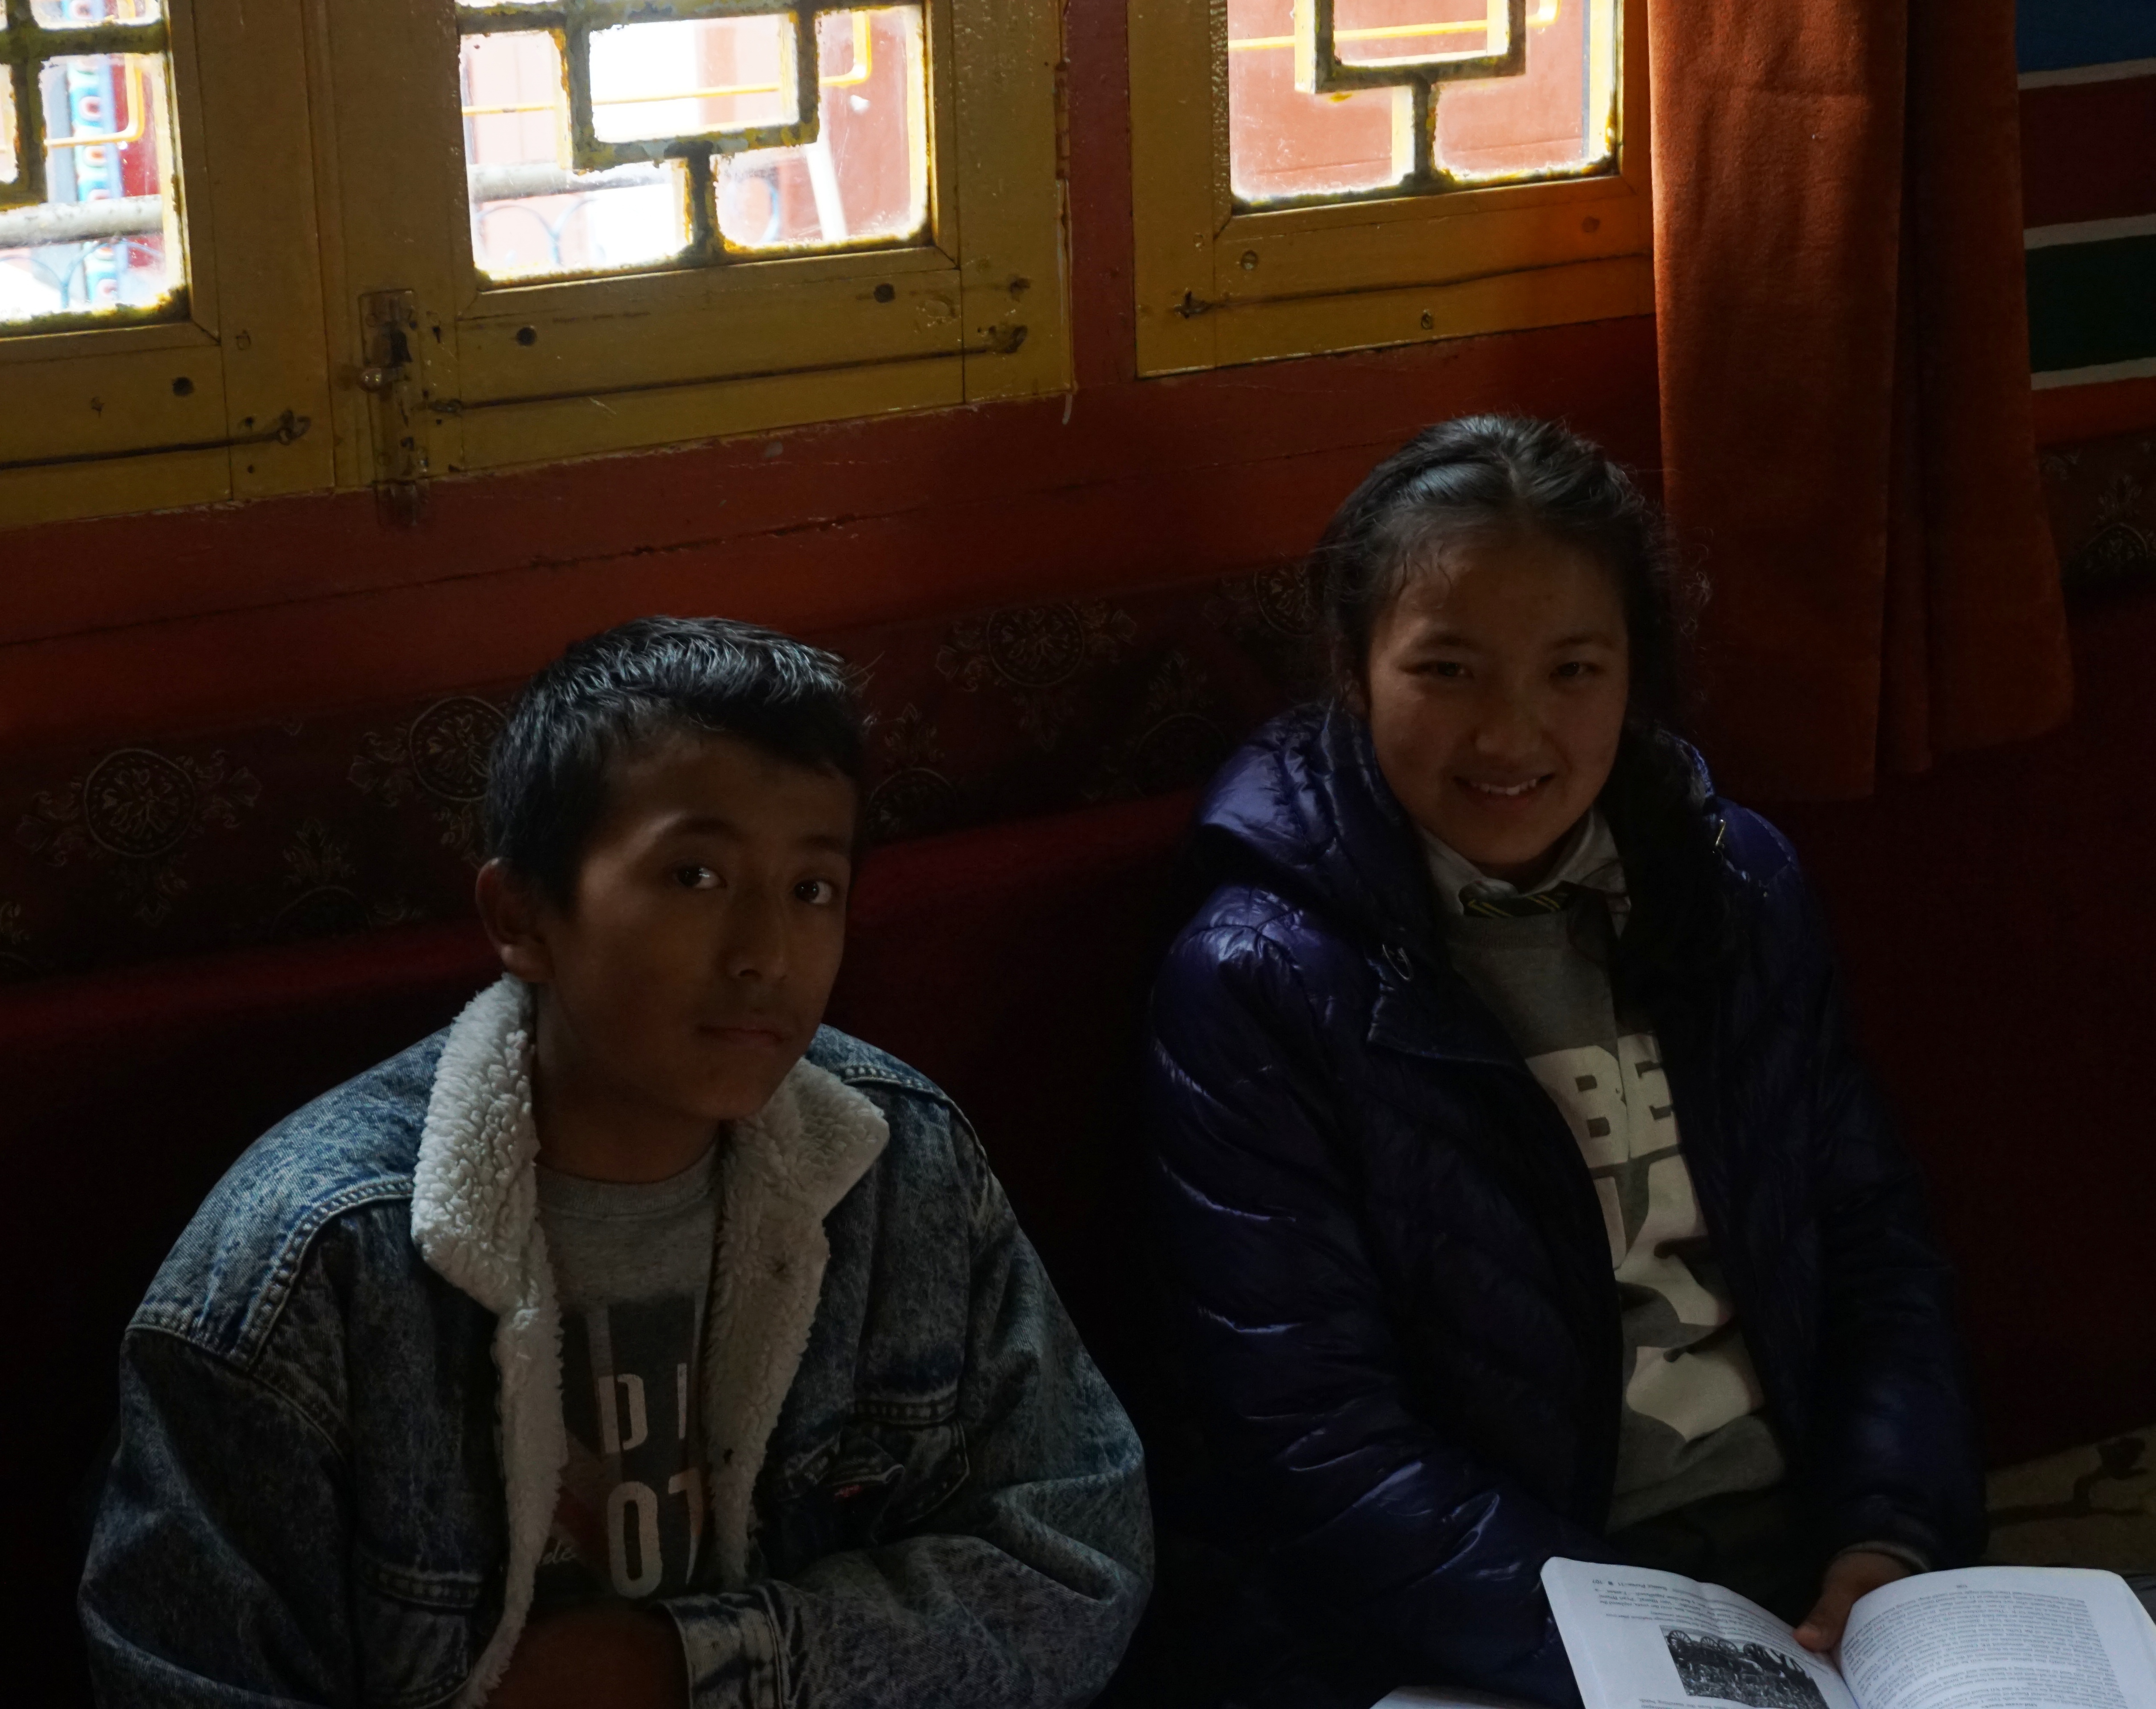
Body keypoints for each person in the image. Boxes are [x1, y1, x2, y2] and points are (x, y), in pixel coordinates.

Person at [81, 617, 1152, 1709]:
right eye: (694, 874)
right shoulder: (309, 1261)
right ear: (522, 916)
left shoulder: (900, 1162)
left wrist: (679, 1667)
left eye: (812, 889)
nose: (764, 954)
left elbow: (1076, 1558)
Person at [1140, 418, 1984, 1707]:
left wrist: (1889, 1535)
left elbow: (1870, 1247)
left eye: (1571, 670)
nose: (1511, 736)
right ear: (1353, 670)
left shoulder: (1732, 886)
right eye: (1448, 671)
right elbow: (1314, 1443)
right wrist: (1642, 1663)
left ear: (1632, 671)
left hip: (1802, 1574)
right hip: (1496, 1619)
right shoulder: (1257, 980)